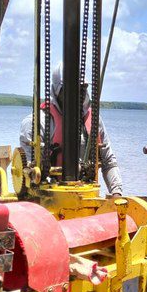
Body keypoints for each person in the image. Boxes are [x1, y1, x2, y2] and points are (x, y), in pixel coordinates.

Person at [19, 62, 123, 196]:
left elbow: (109, 162)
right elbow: (29, 173)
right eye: (70, 90)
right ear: (57, 90)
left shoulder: (95, 121)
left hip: (88, 197)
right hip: (47, 199)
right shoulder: (35, 123)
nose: (77, 95)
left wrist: (117, 194)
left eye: (81, 89)